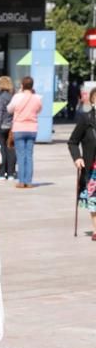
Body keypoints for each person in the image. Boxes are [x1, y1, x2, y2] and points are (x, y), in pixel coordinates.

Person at [68, 87, 96, 241]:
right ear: (93, 101)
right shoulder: (86, 120)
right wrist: (77, 157)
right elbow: (73, 142)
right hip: (93, 168)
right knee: (94, 200)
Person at [7, 76, 43, 189]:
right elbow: (39, 110)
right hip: (32, 129)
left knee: (21, 155)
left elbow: (9, 109)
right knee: (29, 155)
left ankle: (22, 181)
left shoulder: (17, 97)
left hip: (19, 128)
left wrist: (19, 93)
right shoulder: (37, 98)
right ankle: (29, 181)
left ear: (22, 85)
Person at [0, 76, 15, 180]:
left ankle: (1, 173)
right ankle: (10, 173)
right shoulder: (12, 97)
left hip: (2, 126)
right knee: (10, 149)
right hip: (11, 127)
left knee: (1, 149)